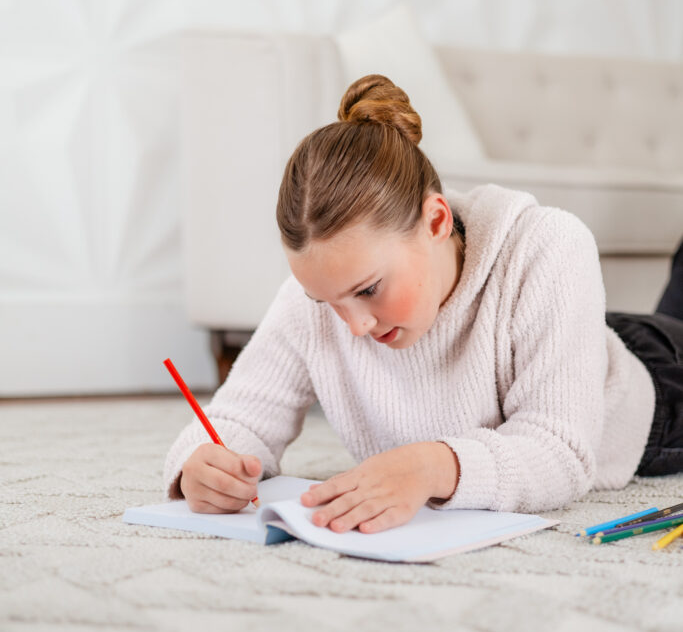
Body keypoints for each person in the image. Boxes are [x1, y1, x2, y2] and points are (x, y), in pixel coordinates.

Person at [163, 74, 683, 533]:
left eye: (368, 290)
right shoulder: (322, 298)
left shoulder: (548, 245)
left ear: (436, 222)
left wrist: (430, 466)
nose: (355, 326)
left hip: (651, 385)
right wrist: (202, 464)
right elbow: (240, 419)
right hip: (553, 345)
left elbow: (560, 452)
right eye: (326, 301)